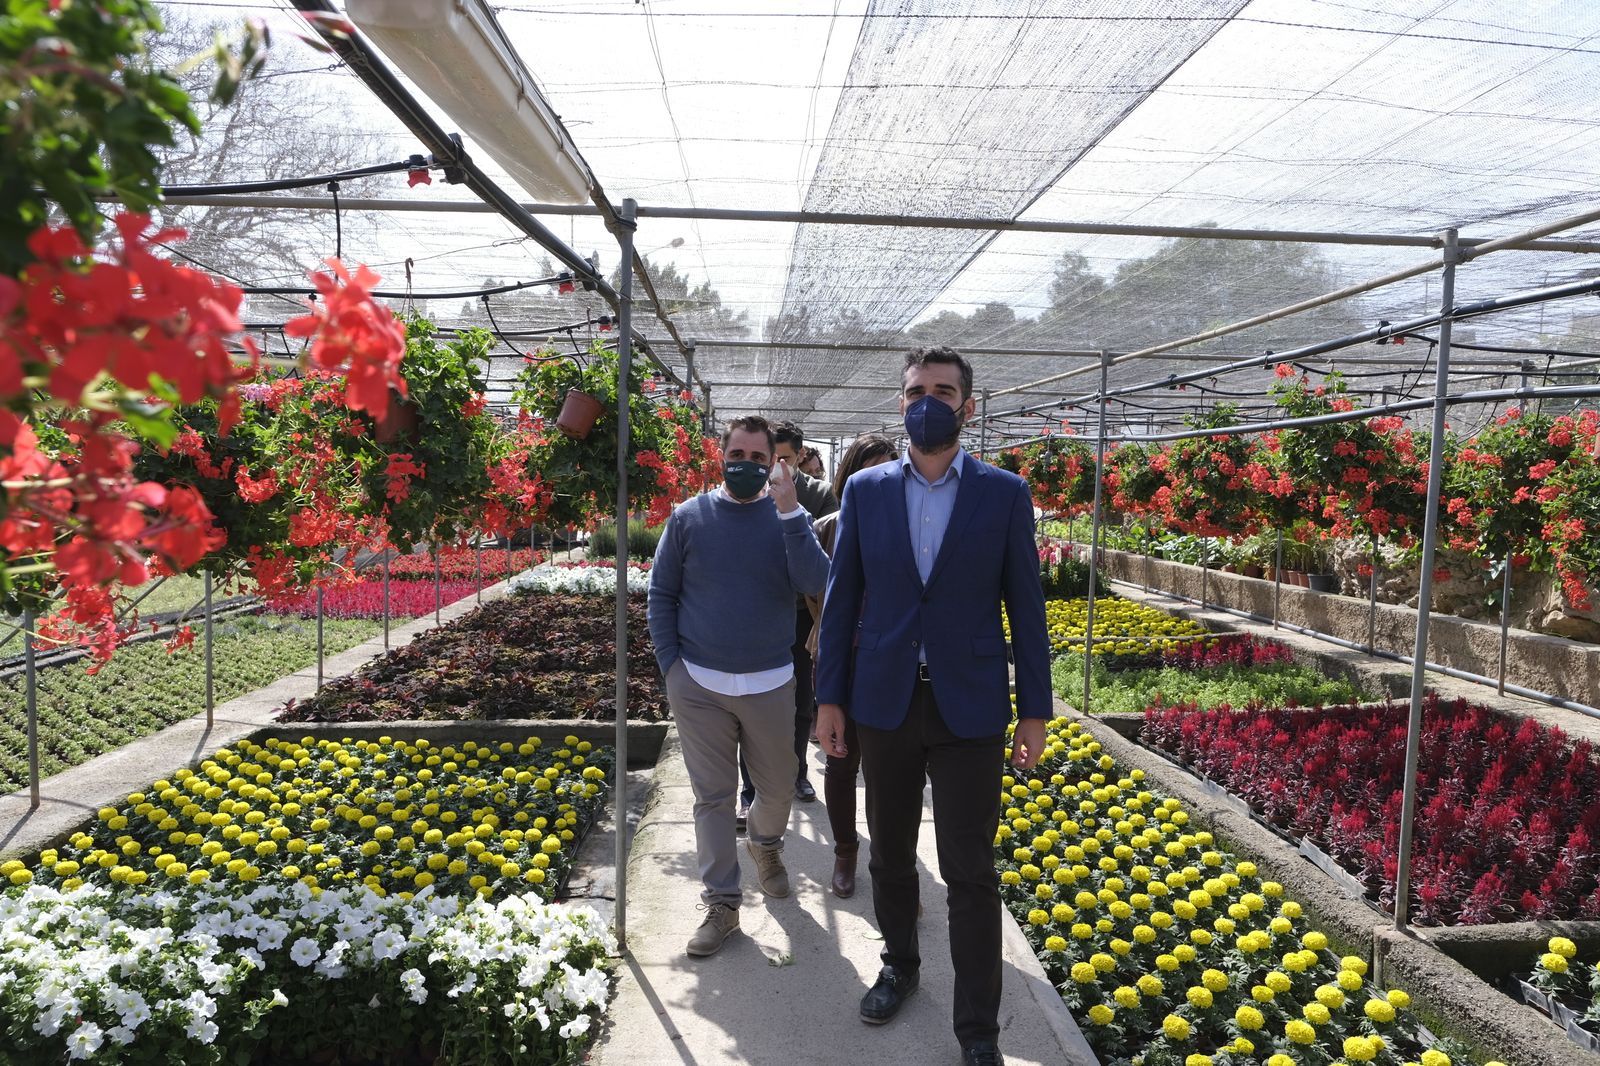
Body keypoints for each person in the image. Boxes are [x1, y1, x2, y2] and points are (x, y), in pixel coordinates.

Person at [815, 347, 1051, 1066]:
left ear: (967, 407)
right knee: (889, 852)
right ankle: (901, 968)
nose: (929, 401)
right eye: (917, 390)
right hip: (883, 700)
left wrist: (1034, 710)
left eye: (944, 391)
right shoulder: (868, 492)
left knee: (969, 869)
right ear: (901, 402)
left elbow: (1026, 607)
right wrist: (829, 697)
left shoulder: (1004, 493)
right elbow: (843, 597)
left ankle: (978, 1031)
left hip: (968, 707)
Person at [649, 415, 832, 957]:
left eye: (760, 458)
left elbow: (820, 582)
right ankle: (722, 903)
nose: (748, 466)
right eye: (739, 455)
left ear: (778, 462)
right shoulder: (689, 517)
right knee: (713, 796)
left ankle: (765, 845)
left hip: (772, 681)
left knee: (776, 790)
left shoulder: (788, 519)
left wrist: (790, 512)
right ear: (720, 455)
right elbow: (662, 595)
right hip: (699, 684)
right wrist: (672, 670)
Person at [803, 433, 896, 898]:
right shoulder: (828, 526)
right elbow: (813, 587)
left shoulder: (905, 524)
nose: (880, 476)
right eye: (869, 467)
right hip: (840, 658)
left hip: (888, 662)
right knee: (840, 760)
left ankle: (890, 861)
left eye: (889, 466)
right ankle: (844, 850)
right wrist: (825, 627)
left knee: (886, 769)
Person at [736, 421, 838, 825]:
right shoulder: (749, 491)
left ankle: (797, 773)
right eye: (769, 457)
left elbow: (833, 549)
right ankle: (750, 790)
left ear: (799, 458)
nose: (776, 466)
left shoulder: (817, 494)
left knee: (799, 702)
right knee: (750, 705)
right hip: (758, 613)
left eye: (785, 459)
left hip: (801, 613)